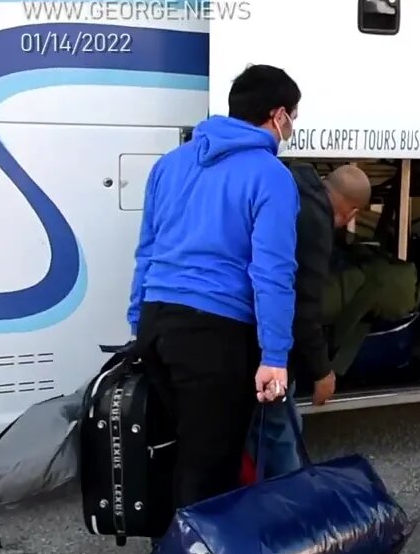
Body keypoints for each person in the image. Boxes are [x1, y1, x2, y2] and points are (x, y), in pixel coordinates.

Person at [128, 64, 301, 508]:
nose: (292, 127)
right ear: (277, 114)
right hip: (215, 333)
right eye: (293, 117)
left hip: (156, 323)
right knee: (210, 468)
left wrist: (138, 320)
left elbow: (146, 250)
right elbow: (273, 273)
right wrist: (275, 357)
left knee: (168, 449)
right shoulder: (270, 175)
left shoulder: (170, 163)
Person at [250, 163, 371, 478]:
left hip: (235, 329)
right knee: (283, 430)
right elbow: (305, 303)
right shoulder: (316, 220)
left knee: (262, 428)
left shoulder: (290, 184)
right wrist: (322, 370)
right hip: (267, 343)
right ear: (352, 210)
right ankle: (293, 506)